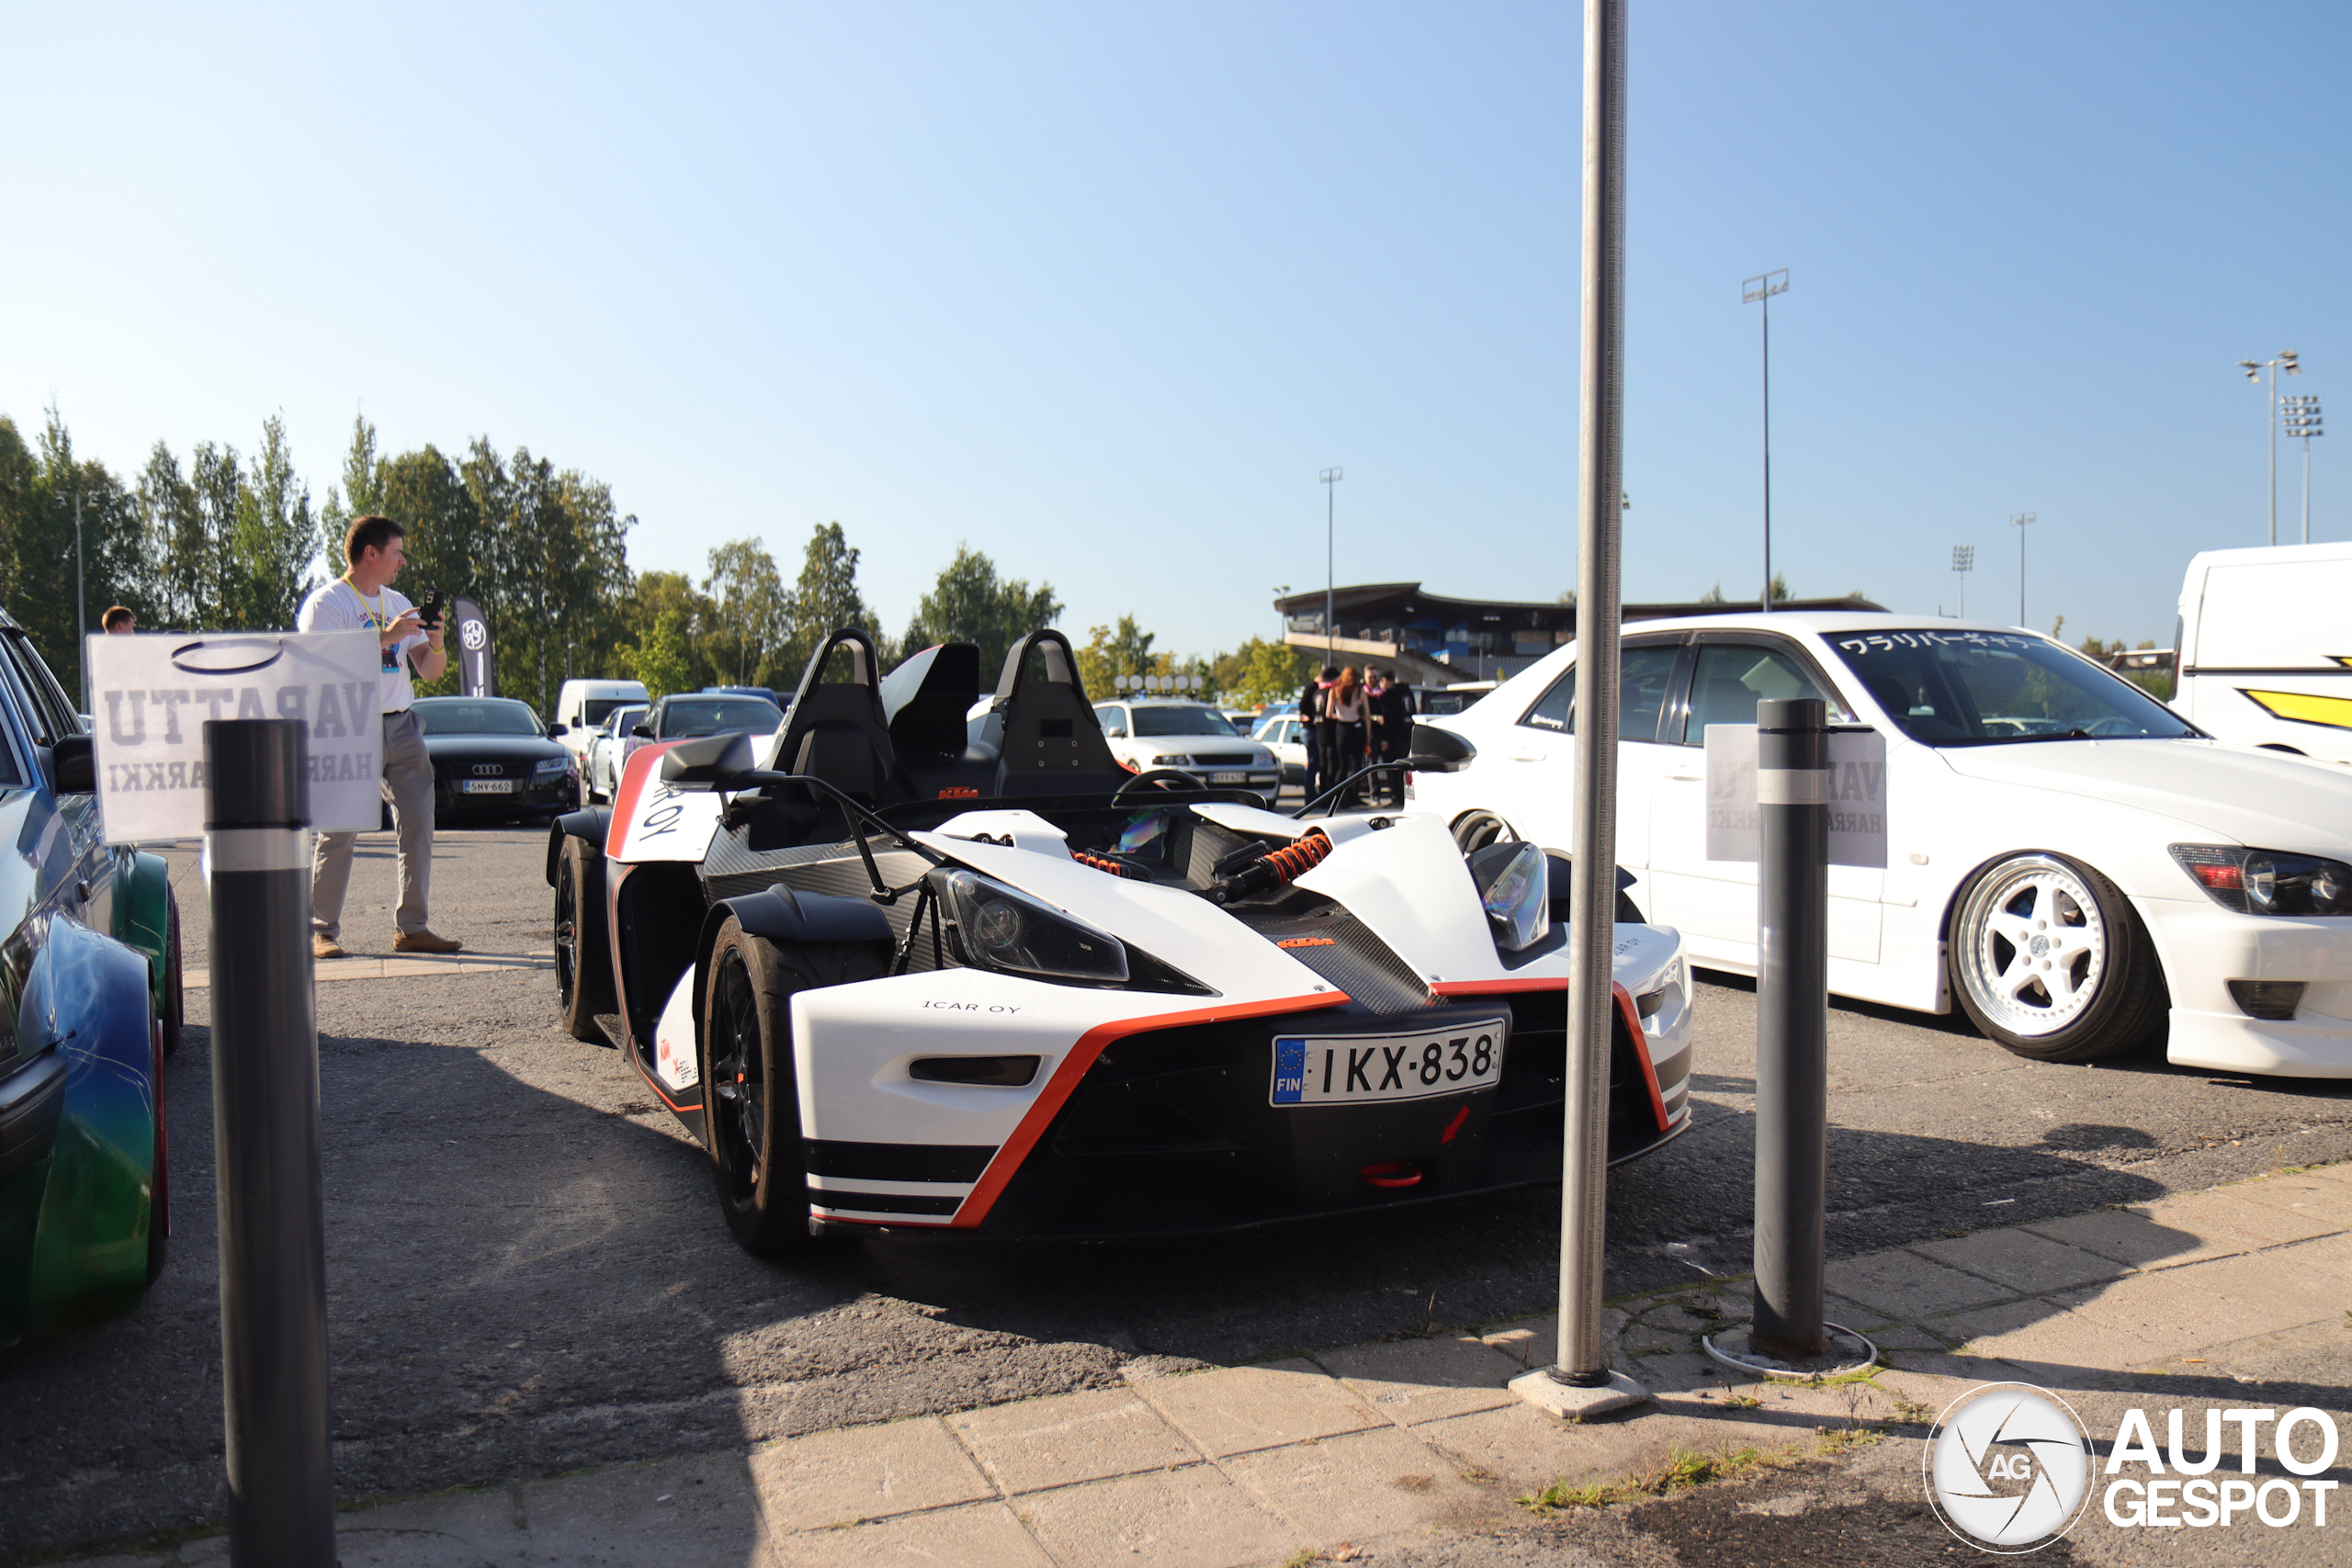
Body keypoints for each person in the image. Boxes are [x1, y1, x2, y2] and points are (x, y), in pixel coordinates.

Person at [298, 515, 461, 958]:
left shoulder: (398, 601)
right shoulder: (326, 605)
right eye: (396, 552)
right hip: (350, 725)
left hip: (402, 724)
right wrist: (385, 637)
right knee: (340, 830)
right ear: (371, 553)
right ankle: (321, 931)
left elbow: (428, 669)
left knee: (419, 824)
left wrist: (438, 641)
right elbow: (323, 667)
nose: (402, 561)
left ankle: (412, 928)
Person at [1320, 665, 1368, 806]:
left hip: (1341, 728)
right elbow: (1366, 715)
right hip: (1356, 728)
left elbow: (1328, 714)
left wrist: (1339, 716)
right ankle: (1354, 796)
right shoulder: (1360, 691)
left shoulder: (1335, 691)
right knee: (1356, 764)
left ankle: (1339, 796)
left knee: (1342, 765)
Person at [1298, 665, 1335, 800]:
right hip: (1310, 730)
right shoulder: (1313, 687)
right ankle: (1310, 797)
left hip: (1309, 730)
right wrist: (1309, 717)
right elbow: (1303, 706)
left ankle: (1312, 795)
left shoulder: (1313, 688)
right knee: (1314, 765)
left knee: (1315, 764)